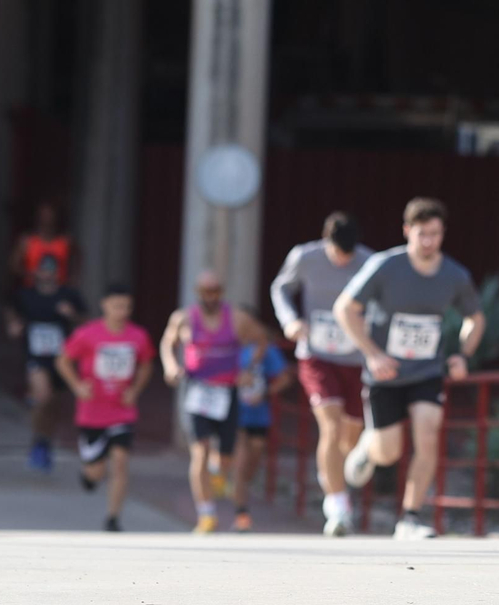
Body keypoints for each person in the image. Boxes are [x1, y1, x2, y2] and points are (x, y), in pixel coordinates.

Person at [338, 198, 485, 539]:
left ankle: (411, 517)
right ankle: (368, 448)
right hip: (385, 373)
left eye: (435, 234)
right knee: (389, 451)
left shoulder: (454, 275)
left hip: (426, 372)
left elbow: (475, 319)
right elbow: (346, 308)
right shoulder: (385, 266)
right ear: (407, 231)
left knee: (428, 432)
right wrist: (372, 353)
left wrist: (463, 354)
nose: (429, 241)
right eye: (422, 234)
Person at [270, 212, 374, 536]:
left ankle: (332, 475)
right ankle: (338, 504)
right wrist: (290, 320)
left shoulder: (370, 262)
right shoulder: (305, 256)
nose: (343, 260)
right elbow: (281, 289)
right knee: (329, 424)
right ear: (325, 241)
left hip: (356, 358)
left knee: (350, 434)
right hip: (317, 354)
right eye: (337, 253)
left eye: (348, 254)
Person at [160, 272, 268, 533]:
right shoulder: (184, 318)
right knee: (200, 450)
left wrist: (249, 369)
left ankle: (218, 472)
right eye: (206, 291)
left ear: (222, 292)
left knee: (224, 458)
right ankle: (206, 514)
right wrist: (172, 365)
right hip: (197, 390)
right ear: (198, 292)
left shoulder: (237, 319)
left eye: (216, 290)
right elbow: (168, 342)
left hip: (226, 391)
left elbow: (261, 340)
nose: (211, 296)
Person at [55, 283, 153, 531]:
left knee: (120, 461)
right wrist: (77, 386)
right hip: (92, 412)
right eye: (117, 306)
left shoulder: (138, 336)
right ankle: (89, 477)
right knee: (96, 472)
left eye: (127, 306)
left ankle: (113, 518)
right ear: (105, 305)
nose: (122, 311)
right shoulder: (87, 334)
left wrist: (135, 389)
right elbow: (63, 361)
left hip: (122, 410)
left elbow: (146, 364)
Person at [4, 256, 86, 471]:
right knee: (43, 397)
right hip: (36, 356)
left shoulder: (69, 295)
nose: (47, 274)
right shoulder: (25, 296)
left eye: (52, 270)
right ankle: (39, 440)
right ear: (36, 272)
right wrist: (13, 325)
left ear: (57, 273)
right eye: (43, 269)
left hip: (61, 359)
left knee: (52, 405)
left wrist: (73, 315)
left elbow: (86, 323)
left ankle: (44, 441)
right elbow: (11, 312)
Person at [232, 322, 294, 532]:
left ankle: (240, 487)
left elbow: (285, 378)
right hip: (234, 413)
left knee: (255, 456)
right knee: (240, 461)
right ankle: (241, 513)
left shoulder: (268, 350)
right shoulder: (229, 347)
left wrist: (266, 392)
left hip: (259, 414)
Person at [7, 201, 74, 288]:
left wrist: (73, 279)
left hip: (59, 291)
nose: (47, 218)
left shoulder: (65, 242)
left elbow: (77, 257)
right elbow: (13, 266)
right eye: (44, 215)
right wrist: (32, 274)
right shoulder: (27, 241)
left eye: (50, 215)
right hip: (32, 290)